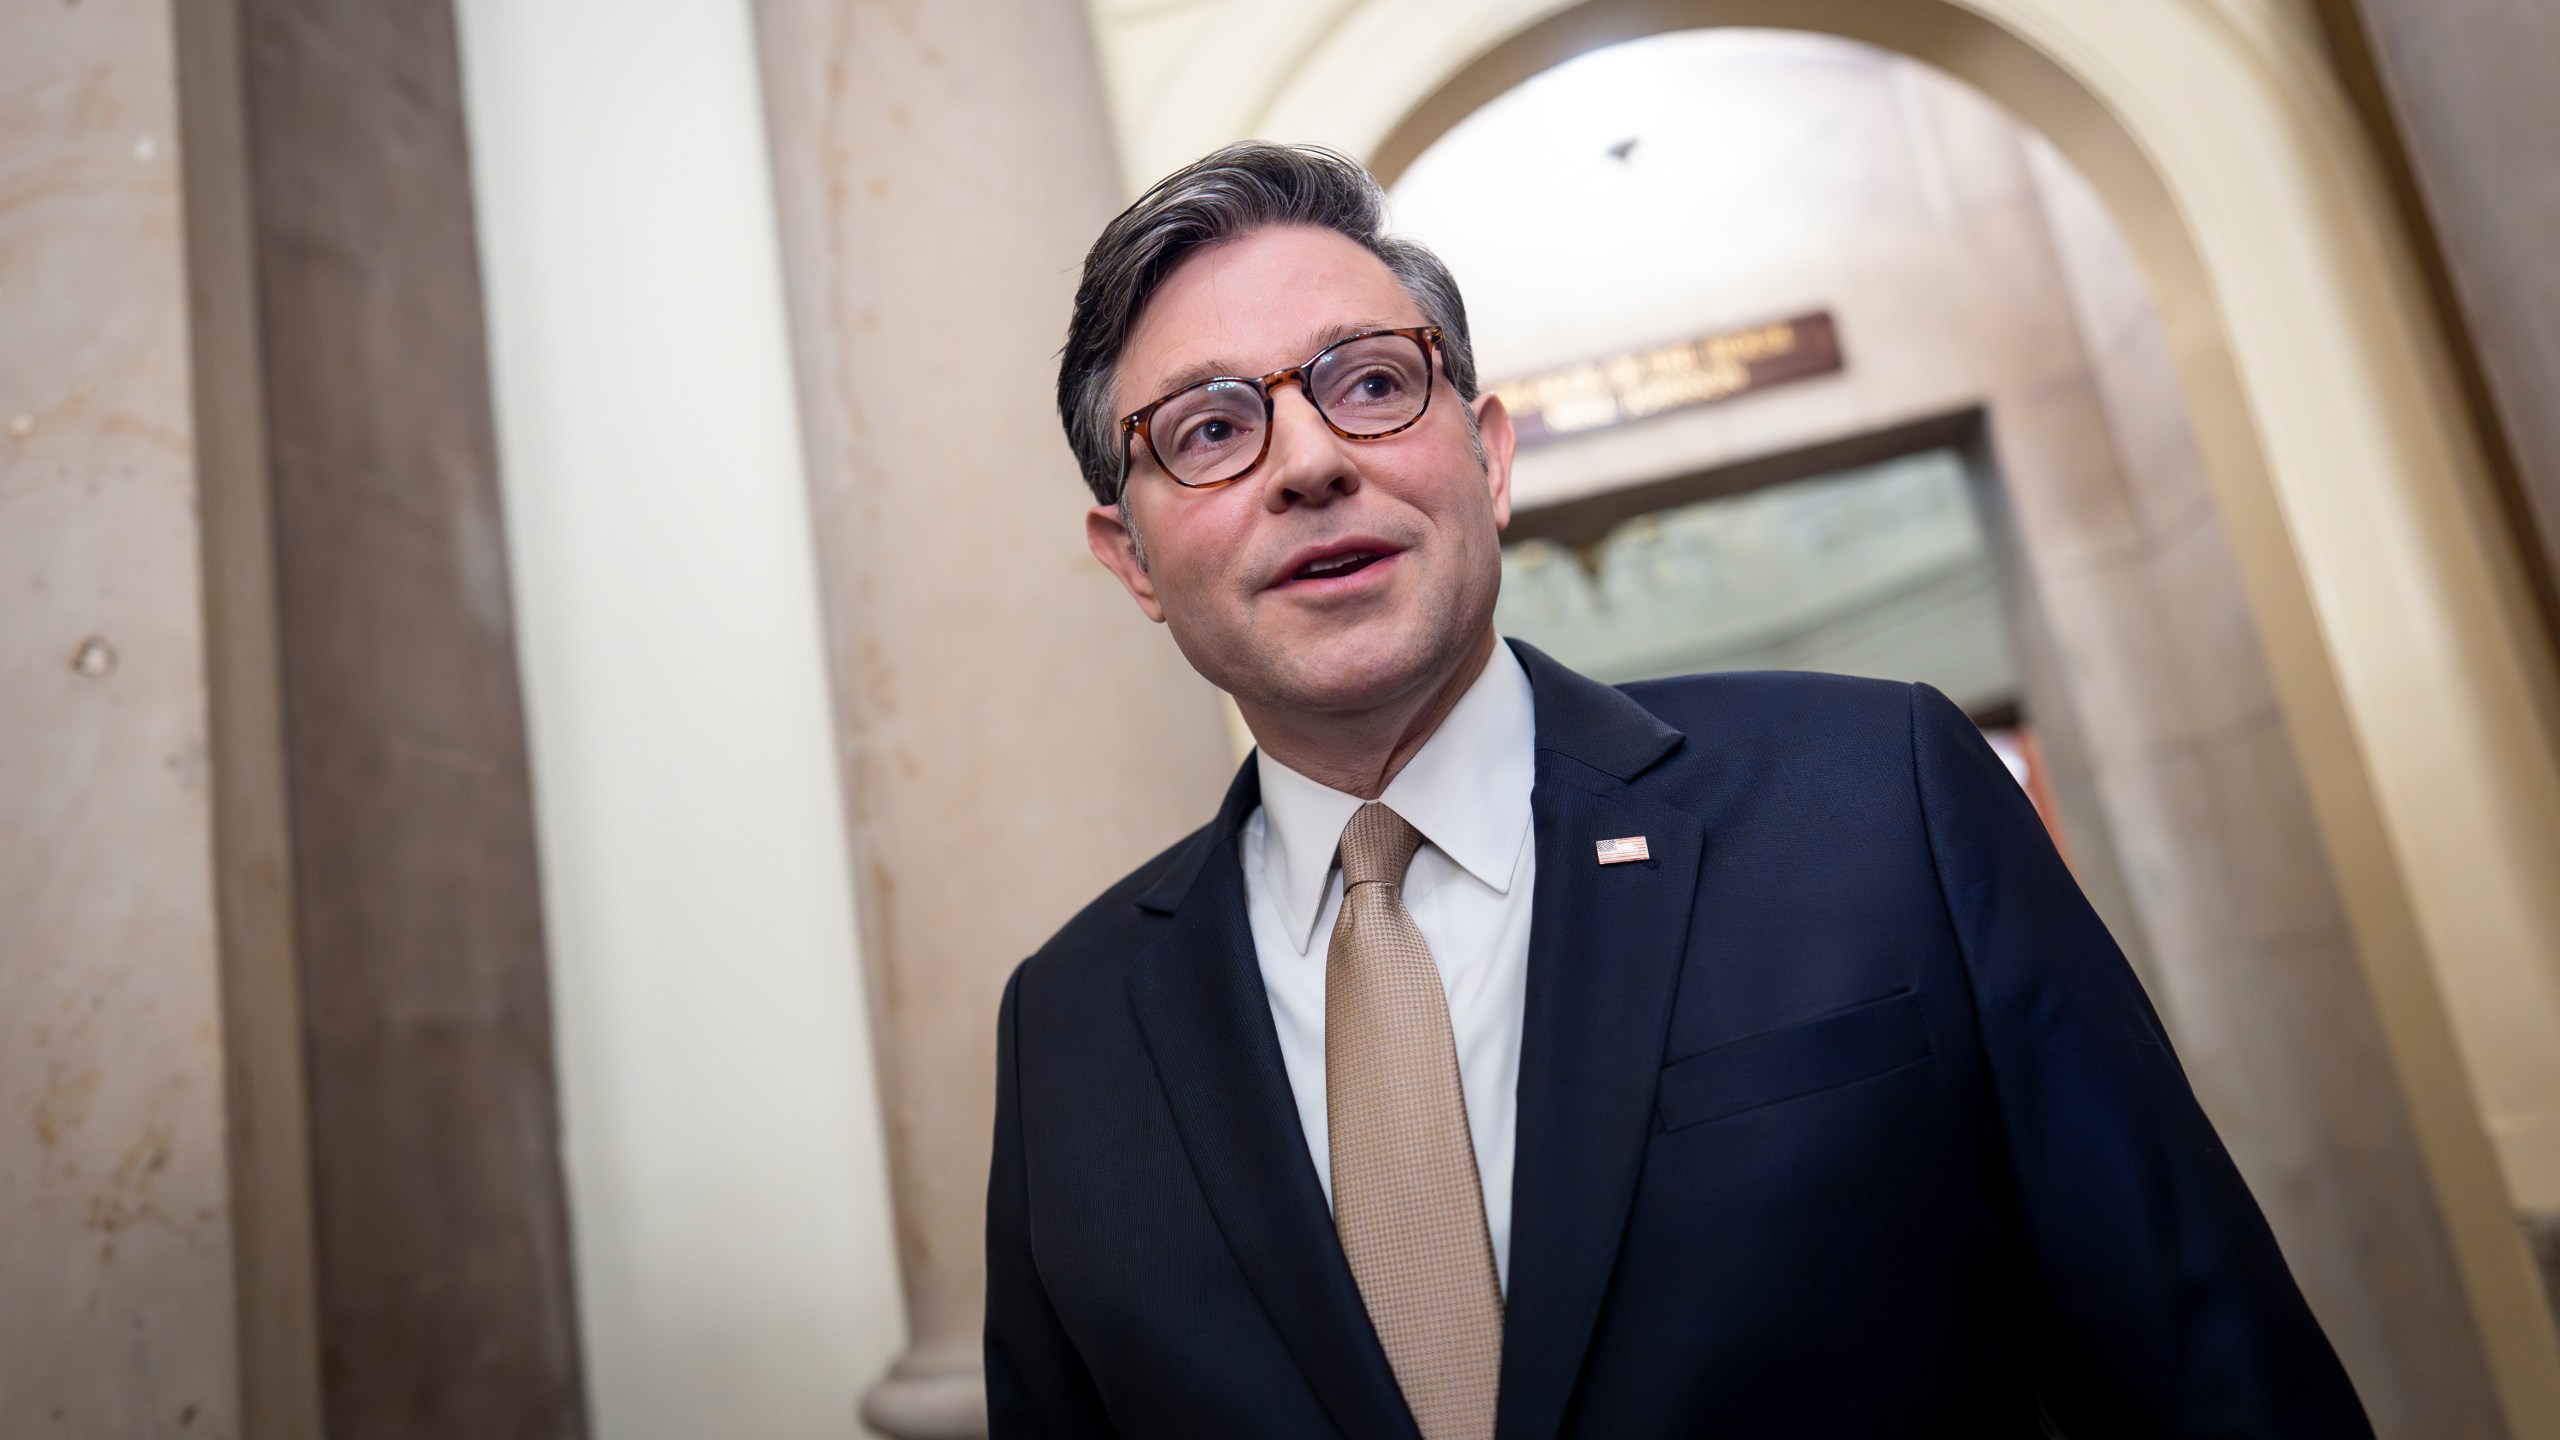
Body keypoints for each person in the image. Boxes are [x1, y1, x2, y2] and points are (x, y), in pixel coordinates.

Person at [983, 141, 2370, 1440]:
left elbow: (2213, 1371)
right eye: (1213, 428)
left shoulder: (1877, 803)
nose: (1312, 461)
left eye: (1369, 384)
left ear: (1491, 454)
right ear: (1133, 561)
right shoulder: (1071, 1028)